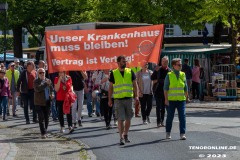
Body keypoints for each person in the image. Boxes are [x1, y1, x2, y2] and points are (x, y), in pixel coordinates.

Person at [108, 55, 139, 145]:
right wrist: (110, 99)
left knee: (128, 118)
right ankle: (121, 137)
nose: (125, 63)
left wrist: (136, 96)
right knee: (120, 119)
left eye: (125, 61)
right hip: (118, 99)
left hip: (129, 98)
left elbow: (135, 84)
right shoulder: (113, 73)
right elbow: (110, 87)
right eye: (123, 61)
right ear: (118, 63)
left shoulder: (130, 72)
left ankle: (125, 134)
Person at [164, 58, 187, 140]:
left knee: (182, 117)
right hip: (171, 100)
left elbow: (185, 87)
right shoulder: (169, 75)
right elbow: (165, 88)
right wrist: (166, 99)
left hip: (181, 100)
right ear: (174, 66)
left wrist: (186, 98)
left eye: (181, 65)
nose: (181, 66)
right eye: (179, 65)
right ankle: (168, 132)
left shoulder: (183, 74)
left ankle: (182, 134)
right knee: (170, 117)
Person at [33, 68, 54, 139]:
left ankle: (45, 131)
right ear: (38, 74)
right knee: (41, 118)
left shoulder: (48, 80)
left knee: (47, 118)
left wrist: (52, 94)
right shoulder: (36, 81)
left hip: (47, 102)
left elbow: (51, 89)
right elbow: (37, 89)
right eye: (40, 73)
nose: (42, 74)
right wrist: (45, 84)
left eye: (43, 72)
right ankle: (43, 133)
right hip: (39, 102)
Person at [151, 56, 171, 127]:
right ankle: (158, 122)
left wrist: (159, 80)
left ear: (168, 62)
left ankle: (162, 121)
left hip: (166, 92)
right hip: (158, 90)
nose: (165, 63)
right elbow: (152, 78)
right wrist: (155, 71)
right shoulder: (158, 69)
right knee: (158, 106)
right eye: (163, 62)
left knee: (163, 107)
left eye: (166, 62)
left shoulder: (170, 71)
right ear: (161, 62)